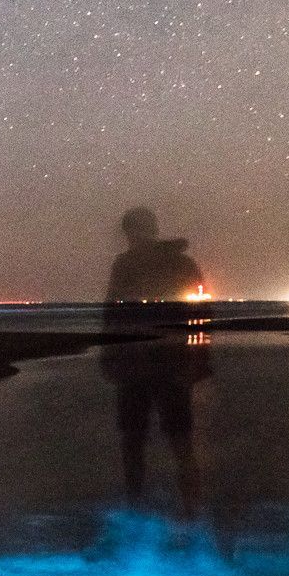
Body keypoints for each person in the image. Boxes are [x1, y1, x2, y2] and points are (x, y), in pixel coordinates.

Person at [97, 206, 211, 514]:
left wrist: (110, 356)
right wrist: (200, 359)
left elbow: (114, 314)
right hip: (169, 363)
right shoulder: (181, 263)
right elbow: (201, 311)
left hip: (140, 365)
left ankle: (142, 509)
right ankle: (190, 511)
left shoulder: (126, 264)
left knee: (139, 441)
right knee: (176, 440)